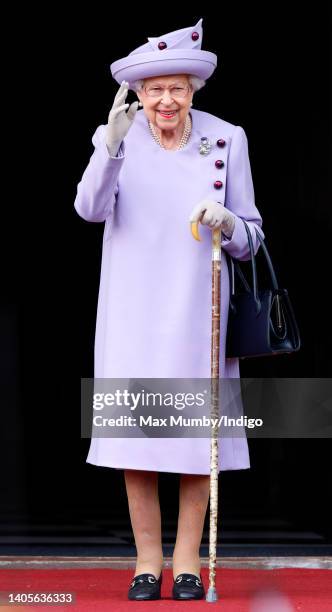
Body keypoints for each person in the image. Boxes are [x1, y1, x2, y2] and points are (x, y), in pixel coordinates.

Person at [74, 18, 264, 601]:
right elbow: (88, 209)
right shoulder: (118, 138)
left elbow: (253, 236)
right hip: (133, 310)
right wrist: (107, 146)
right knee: (138, 438)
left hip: (197, 311)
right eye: (153, 88)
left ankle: (186, 560)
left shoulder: (227, 138)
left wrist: (228, 222)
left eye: (176, 87)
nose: (165, 99)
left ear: (194, 89)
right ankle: (145, 560)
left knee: (191, 442)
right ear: (137, 93)